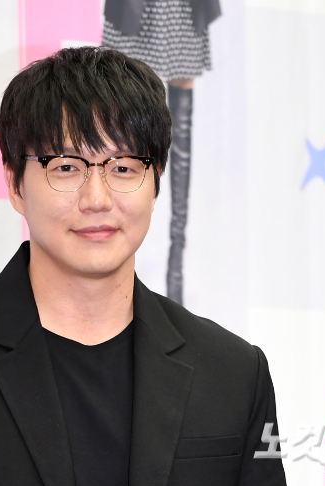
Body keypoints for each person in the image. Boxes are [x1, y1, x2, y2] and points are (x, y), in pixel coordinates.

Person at [0, 47, 286, 486]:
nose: (97, 199)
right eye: (67, 167)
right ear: (15, 184)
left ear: (155, 182)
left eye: (124, 167)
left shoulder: (233, 373)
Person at [103, 0, 222, 304]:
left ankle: (175, 279)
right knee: (120, 118)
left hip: (182, 8)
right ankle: (111, 272)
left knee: (180, 128)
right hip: (134, 9)